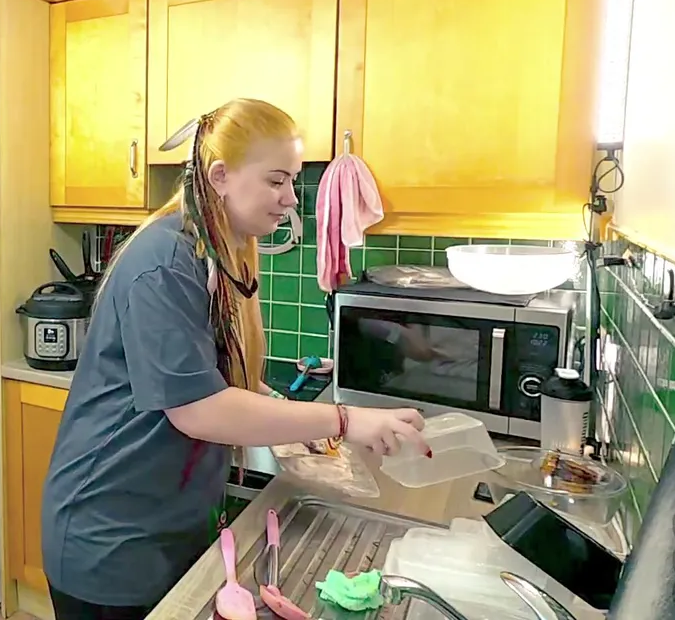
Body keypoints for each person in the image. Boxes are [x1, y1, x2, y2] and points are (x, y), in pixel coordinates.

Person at [39, 98, 430, 620]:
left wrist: (294, 418)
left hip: (162, 524)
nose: (290, 198)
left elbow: (218, 375)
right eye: (276, 181)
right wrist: (344, 420)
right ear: (220, 176)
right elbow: (199, 408)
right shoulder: (165, 263)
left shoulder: (221, 253)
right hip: (110, 536)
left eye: (293, 181)